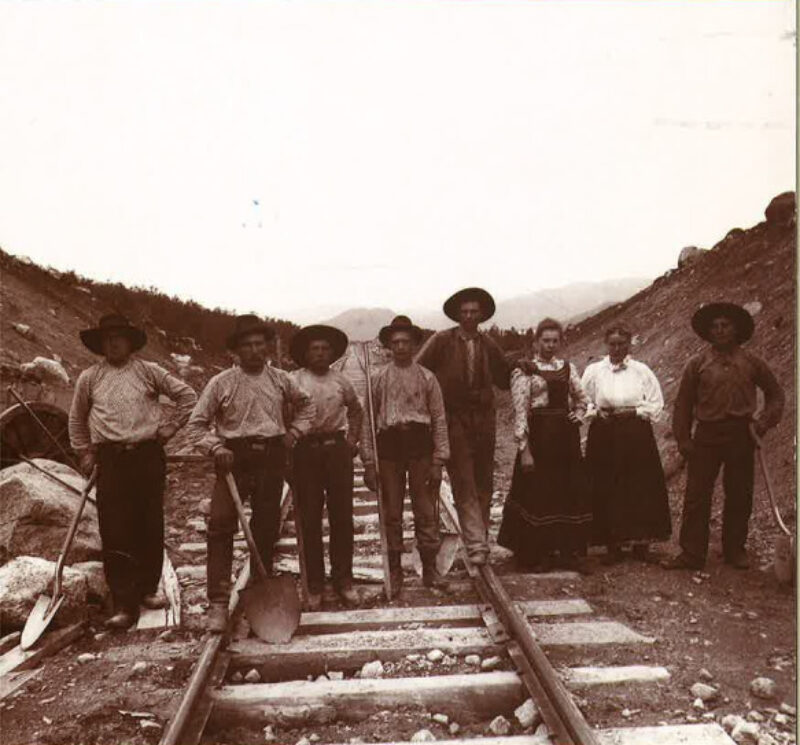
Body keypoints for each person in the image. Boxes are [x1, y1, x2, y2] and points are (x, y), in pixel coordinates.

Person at [185, 314, 316, 632]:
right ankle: (218, 602)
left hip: (272, 456)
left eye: (260, 344)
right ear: (236, 351)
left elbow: (307, 406)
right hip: (233, 461)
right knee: (219, 524)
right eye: (248, 345)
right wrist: (216, 448)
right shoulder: (221, 383)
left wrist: (295, 433)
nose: (255, 350)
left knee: (266, 526)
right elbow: (196, 424)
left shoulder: (281, 379)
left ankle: (260, 587)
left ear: (268, 347)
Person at [69, 314, 197, 629]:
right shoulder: (90, 378)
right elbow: (76, 419)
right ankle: (124, 603)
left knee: (148, 522)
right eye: (107, 338)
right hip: (110, 460)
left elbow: (189, 398)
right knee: (114, 529)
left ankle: (148, 589)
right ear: (101, 344)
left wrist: (169, 428)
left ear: (129, 341)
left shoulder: (148, 371)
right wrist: (85, 453)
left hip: (147, 456)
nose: (113, 343)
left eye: (119, 337)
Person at [664, 302, 784, 571]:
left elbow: (776, 395)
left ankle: (734, 550)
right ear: (708, 332)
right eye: (715, 327)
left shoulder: (752, 362)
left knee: (739, 493)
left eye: (725, 325)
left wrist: (763, 423)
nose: (720, 331)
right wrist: (684, 440)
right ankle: (692, 553)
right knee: (697, 495)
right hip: (706, 436)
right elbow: (683, 405)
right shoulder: (697, 364)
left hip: (742, 435)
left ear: (736, 329)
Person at [416, 288, 510, 566]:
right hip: (453, 418)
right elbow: (420, 371)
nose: (469, 316)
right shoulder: (442, 341)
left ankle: (478, 537)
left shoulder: (488, 344)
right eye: (465, 312)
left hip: (484, 419)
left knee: (484, 479)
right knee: (464, 479)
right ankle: (477, 545)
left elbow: (505, 377)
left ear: (481, 315)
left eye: (474, 312)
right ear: (458, 315)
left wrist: (526, 368)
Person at [362, 316, 450, 594]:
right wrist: (368, 461)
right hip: (389, 450)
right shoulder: (377, 379)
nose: (400, 347)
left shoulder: (427, 378)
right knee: (392, 513)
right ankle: (395, 570)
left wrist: (438, 460)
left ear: (414, 345)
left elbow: (439, 419)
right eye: (395, 342)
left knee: (426, 512)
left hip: (420, 450)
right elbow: (367, 421)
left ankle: (431, 570)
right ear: (389, 345)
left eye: (406, 342)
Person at [497, 317, 591, 573]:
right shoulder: (524, 371)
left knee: (566, 494)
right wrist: (524, 450)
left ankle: (567, 552)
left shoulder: (568, 368)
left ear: (560, 342)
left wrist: (579, 415)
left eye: (555, 341)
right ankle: (538, 554)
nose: (550, 345)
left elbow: (583, 399)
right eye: (545, 340)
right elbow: (520, 412)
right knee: (539, 495)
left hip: (565, 441)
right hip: (539, 441)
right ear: (536, 342)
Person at [581, 325, 671, 564]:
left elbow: (656, 403)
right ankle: (612, 544)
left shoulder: (641, 371)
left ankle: (641, 543)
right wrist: (596, 411)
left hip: (636, 434)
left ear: (629, 344)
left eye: (622, 343)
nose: (618, 348)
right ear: (606, 344)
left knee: (639, 485)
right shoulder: (595, 371)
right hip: (604, 433)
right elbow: (582, 399)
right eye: (613, 343)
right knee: (607, 485)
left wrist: (633, 410)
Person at [288, 324, 363, 610]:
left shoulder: (341, 381)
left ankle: (343, 580)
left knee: (342, 517)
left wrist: (353, 440)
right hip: (305, 452)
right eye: (314, 349)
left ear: (332, 353)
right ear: (305, 354)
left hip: (336, 451)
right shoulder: (293, 380)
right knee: (308, 518)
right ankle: (315, 583)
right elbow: (282, 412)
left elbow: (356, 410)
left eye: (324, 349)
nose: (320, 354)